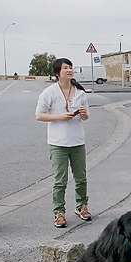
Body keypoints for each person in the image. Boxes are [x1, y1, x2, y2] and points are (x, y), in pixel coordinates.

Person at [35, 57, 91, 228]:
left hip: (77, 141)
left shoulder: (80, 93)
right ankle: (58, 212)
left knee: (81, 178)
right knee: (60, 180)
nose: (69, 70)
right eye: (65, 68)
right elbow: (39, 115)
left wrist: (83, 114)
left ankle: (81, 206)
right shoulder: (49, 92)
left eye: (71, 67)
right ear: (57, 73)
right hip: (58, 142)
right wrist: (60, 116)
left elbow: (86, 116)